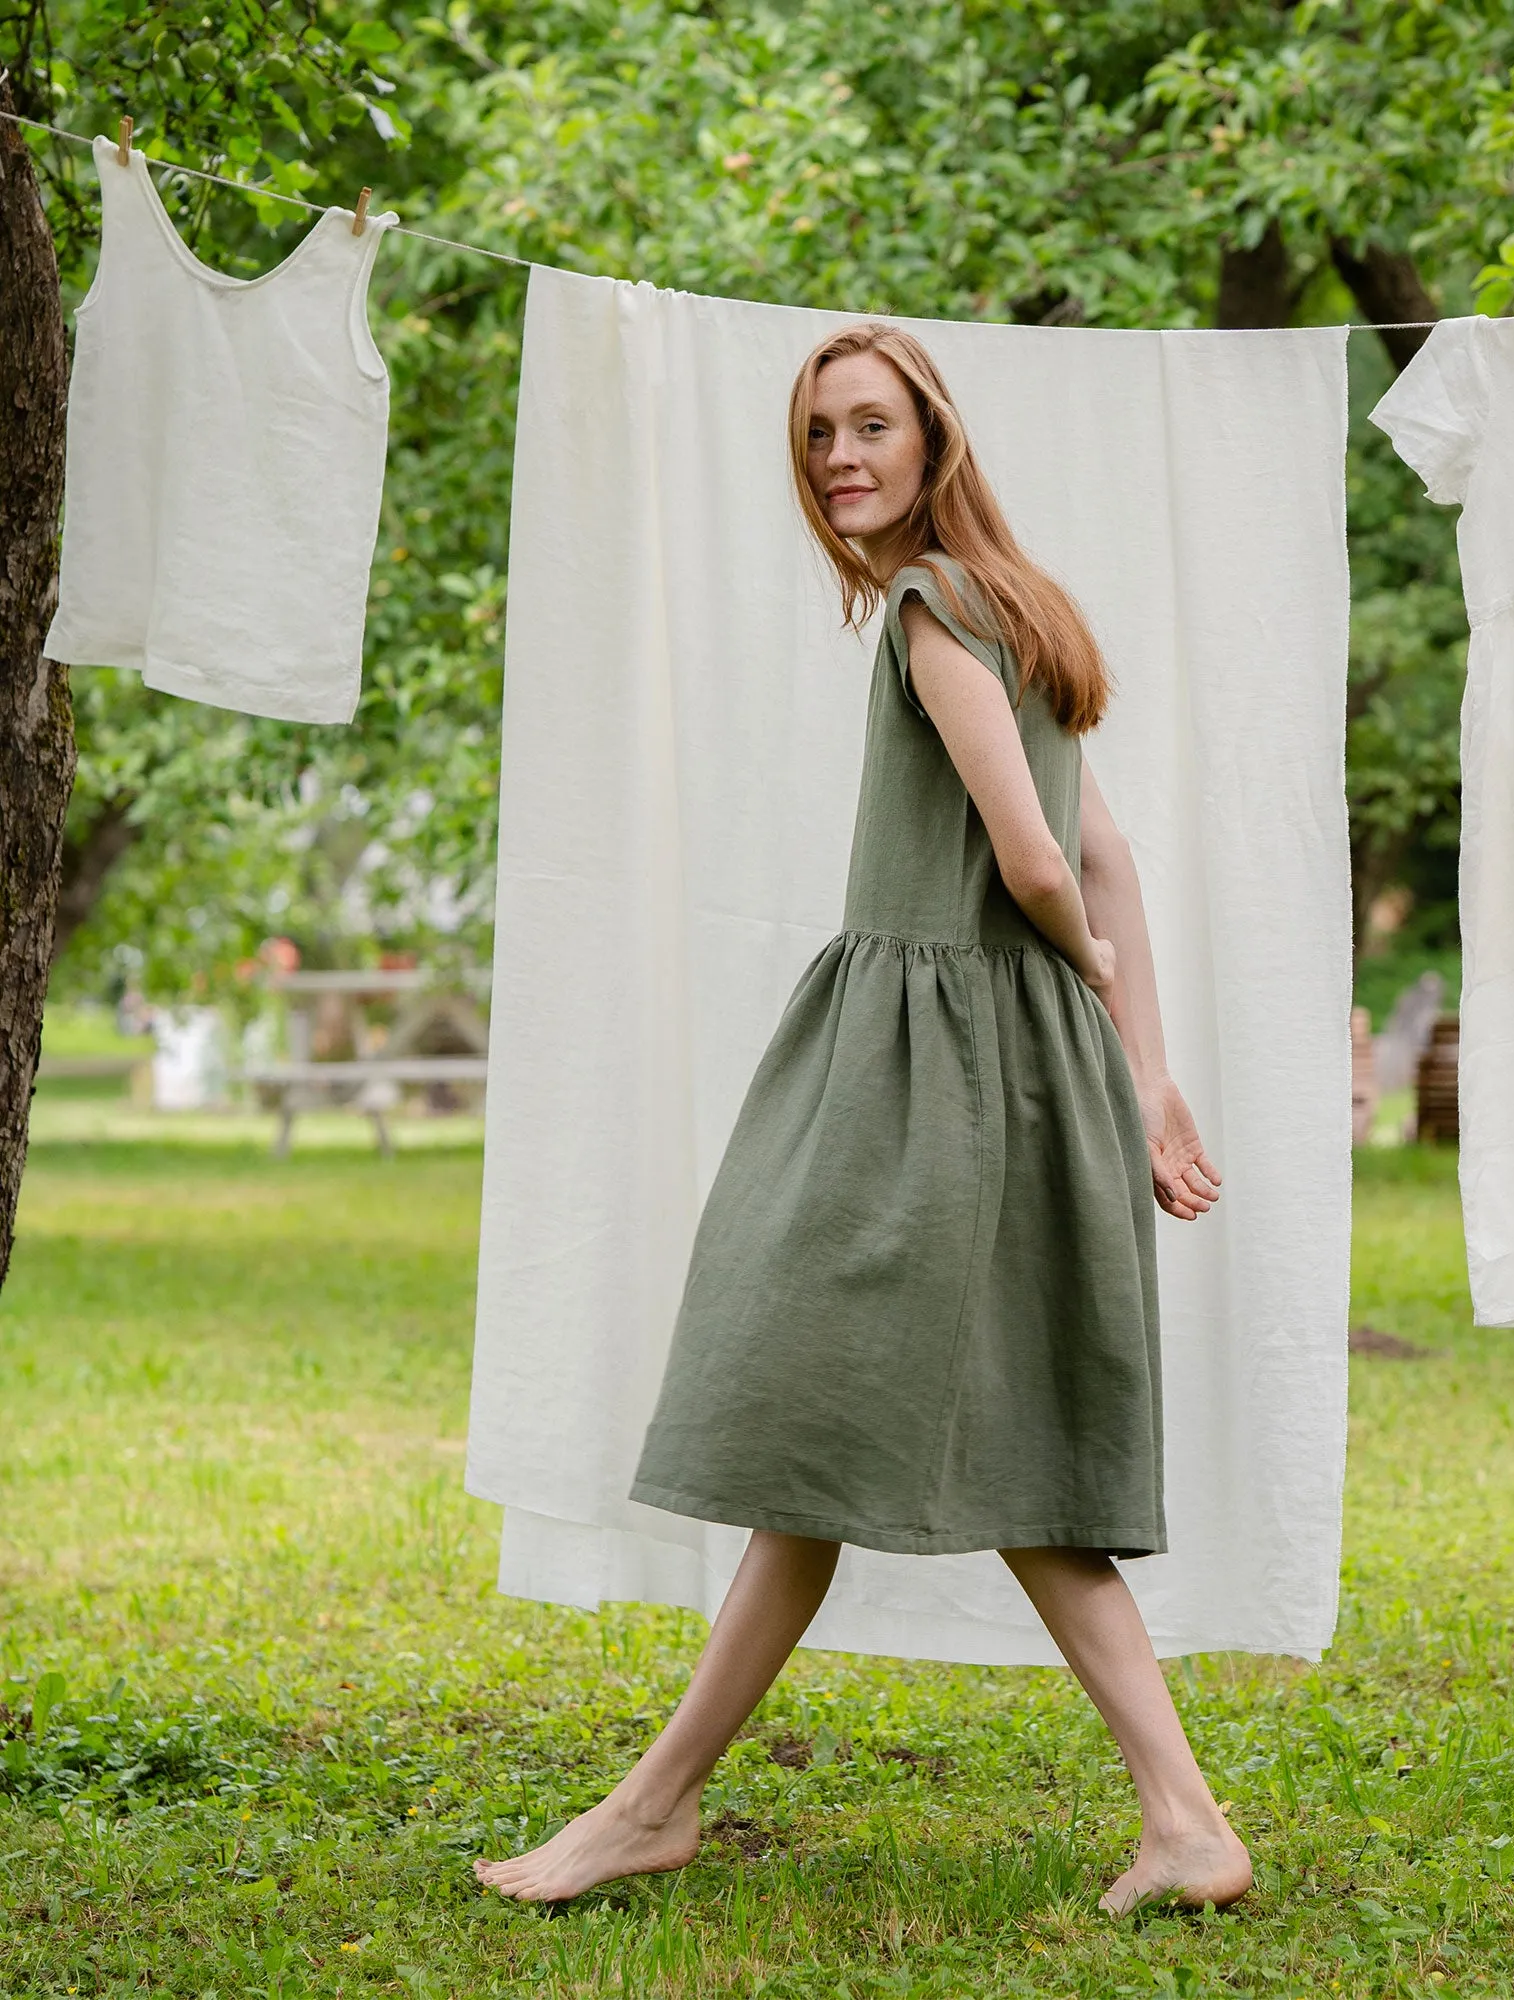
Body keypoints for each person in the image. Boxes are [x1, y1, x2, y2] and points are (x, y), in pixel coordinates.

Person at [476, 321, 1250, 1917]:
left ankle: (650, 1810)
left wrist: (1111, 1020)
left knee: (800, 1404)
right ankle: (1180, 1823)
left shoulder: (927, 609)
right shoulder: (1021, 608)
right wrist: (1140, 1058)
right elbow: (1108, 860)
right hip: (1020, 1058)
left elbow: (1044, 864)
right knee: (928, 1446)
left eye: (869, 426)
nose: (840, 455)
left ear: (934, 439)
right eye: (819, 431)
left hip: (935, 1069)